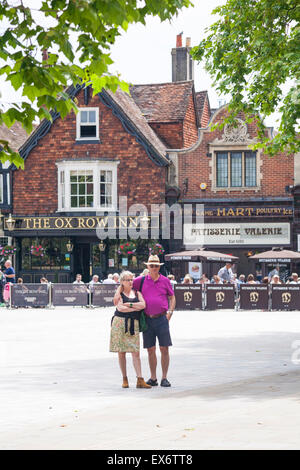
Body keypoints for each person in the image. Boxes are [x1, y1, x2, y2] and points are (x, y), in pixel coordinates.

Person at [131, 254, 176, 388]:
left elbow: (172, 297)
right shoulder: (140, 281)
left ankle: (164, 377)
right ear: (148, 267)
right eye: (152, 265)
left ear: (159, 267)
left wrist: (170, 313)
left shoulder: (165, 281)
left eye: (156, 265)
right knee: (150, 349)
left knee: (164, 348)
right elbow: (127, 288)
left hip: (162, 318)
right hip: (147, 319)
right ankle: (153, 377)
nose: (154, 268)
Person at [110, 270, 150, 389]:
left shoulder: (137, 293)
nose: (131, 282)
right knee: (121, 352)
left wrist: (130, 305)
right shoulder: (119, 293)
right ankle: (125, 378)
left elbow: (143, 305)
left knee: (135, 352)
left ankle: (140, 379)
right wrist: (135, 308)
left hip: (134, 324)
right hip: (120, 323)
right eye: (128, 280)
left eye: (132, 279)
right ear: (122, 282)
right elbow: (120, 308)